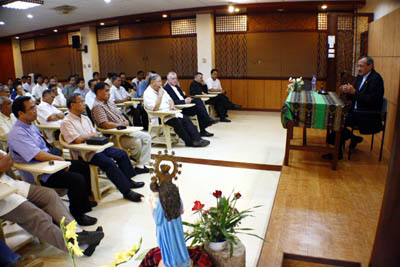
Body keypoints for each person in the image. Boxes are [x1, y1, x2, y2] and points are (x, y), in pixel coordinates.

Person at [8, 96, 97, 226]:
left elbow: (45, 149)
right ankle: (78, 214)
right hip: (40, 172)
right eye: (32, 108)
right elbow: (37, 155)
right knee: (76, 179)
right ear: (21, 113)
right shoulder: (17, 133)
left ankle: (83, 201)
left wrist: (58, 160)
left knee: (82, 166)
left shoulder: (30, 126)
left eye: (35, 106)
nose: (36, 110)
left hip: (49, 163)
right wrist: (59, 160)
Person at [0, 149, 104, 256]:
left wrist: (4, 162)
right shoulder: (16, 134)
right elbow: (7, 160)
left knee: (49, 195)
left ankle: (77, 233)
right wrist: (4, 161)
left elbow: (8, 161)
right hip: (2, 197)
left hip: (11, 184)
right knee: (36, 216)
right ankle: (77, 245)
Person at [61, 94, 145, 202]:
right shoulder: (66, 121)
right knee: (109, 163)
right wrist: (91, 136)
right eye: (81, 102)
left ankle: (128, 180)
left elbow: (93, 133)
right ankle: (126, 191)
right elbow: (77, 140)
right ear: (72, 105)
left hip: (97, 147)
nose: (84, 104)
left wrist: (92, 136)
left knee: (122, 154)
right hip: (86, 153)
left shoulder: (85, 118)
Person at [324, 56, 385, 160]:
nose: (359, 68)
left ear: (370, 66)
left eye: (361, 66)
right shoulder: (360, 77)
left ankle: (337, 153)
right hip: (355, 111)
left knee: (339, 120)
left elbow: (371, 100)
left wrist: (354, 92)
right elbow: (355, 97)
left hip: (367, 114)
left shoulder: (376, 79)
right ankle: (351, 138)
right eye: (358, 66)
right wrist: (347, 91)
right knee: (335, 115)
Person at [91, 83, 151, 173]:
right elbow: (104, 124)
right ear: (99, 93)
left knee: (147, 137)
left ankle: (141, 164)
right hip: (113, 136)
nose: (109, 93)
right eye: (106, 91)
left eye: (109, 91)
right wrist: (120, 125)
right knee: (136, 142)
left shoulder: (109, 102)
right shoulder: (97, 106)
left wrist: (125, 121)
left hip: (123, 131)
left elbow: (120, 114)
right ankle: (136, 160)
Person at [144, 74, 209, 147]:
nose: (161, 83)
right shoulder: (147, 93)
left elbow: (170, 100)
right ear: (152, 82)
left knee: (185, 119)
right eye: (159, 81)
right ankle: (189, 142)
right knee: (178, 122)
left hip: (169, 113)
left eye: (161, 81)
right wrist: (160, 96)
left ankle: (197, 139)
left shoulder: (161, 89)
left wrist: (172, 106)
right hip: (159, 116)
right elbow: (155, 108)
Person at [149, 164, 191, 267]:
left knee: (170, 244)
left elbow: (158, 220)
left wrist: (151, 205)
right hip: (176, 224)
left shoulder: (160, 199)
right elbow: (181, 209)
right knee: (178, 242)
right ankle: (182, 259)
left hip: (166, 228)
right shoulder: (175, 191)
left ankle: (171, 262)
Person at [164, 72, 216, 137]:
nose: (175, 80)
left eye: (176, 78)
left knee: (198, 102)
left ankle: (203, 129)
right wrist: (184, 101)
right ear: (168, 80)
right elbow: (171, 102)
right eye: (173, 79)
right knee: (198, 106)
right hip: (178, 109)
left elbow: (182, 96)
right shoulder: (166, 89)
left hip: (185, 106)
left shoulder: (177, 87)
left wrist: (187, 98)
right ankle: (207, 120)